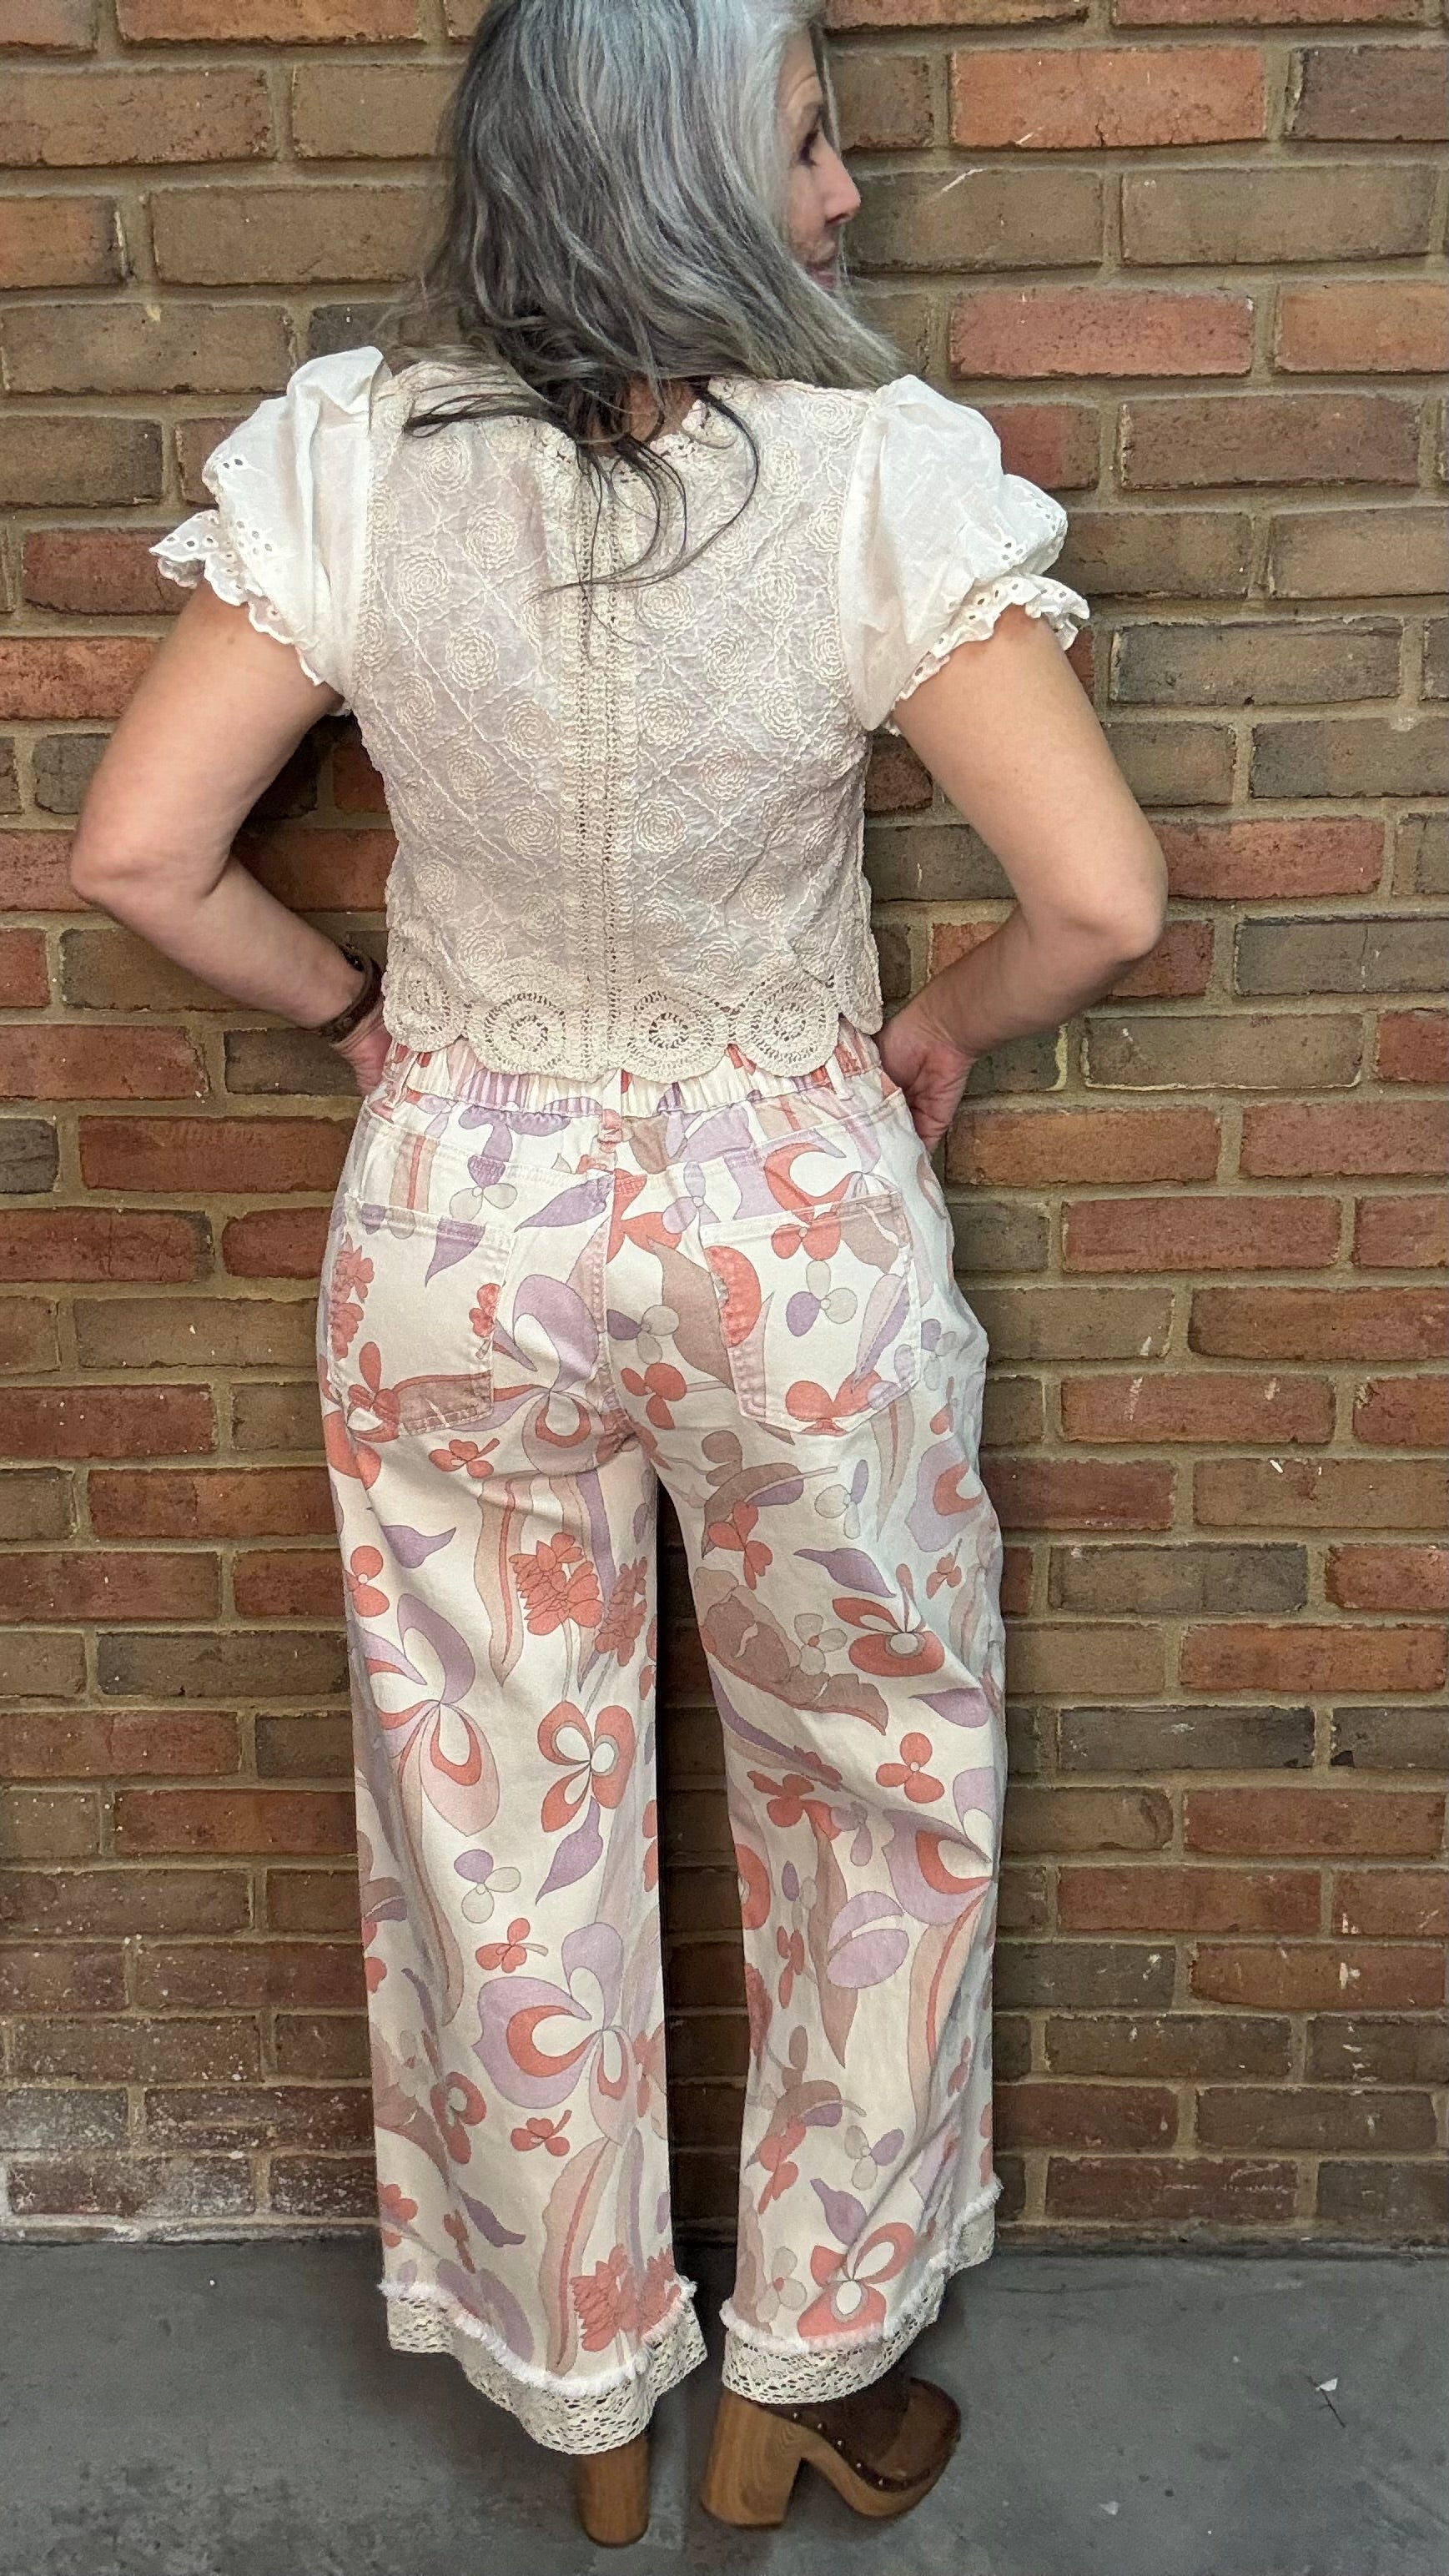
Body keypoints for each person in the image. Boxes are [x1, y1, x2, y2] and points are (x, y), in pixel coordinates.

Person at [68, 0, 1168, 2547]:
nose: (852, 191)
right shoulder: (882, 483)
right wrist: (935, 1026)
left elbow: (138, 855)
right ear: (677, 177)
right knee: (874, 1787)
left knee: (491, 1802)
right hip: (787, 1210)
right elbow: (1099, 900)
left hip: (460, 1206)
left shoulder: (347, 453)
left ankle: (578, 2402)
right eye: (808, 137)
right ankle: (811, 2366)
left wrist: (349, 1008)